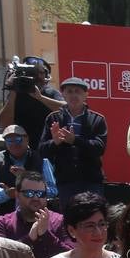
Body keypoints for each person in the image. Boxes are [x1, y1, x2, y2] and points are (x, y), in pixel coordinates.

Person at [40, 77, 108, 209]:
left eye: (78, 91)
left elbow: (100, 148)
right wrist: (55, 142)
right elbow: (42, 150)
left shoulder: (97, 119)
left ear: (86, 95)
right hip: (66, 181)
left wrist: (75, 140)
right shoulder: (53, 118)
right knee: (70, 221)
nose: (73, 95)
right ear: (63, 94)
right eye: (69, 91)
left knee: (92, 217)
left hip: (91, 181)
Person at [0, 171, 75, 258]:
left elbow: (73, 257)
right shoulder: (1, 223)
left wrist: (46, 235)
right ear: (17, 194)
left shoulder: (60, 221)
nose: (35, 198)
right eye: (29, 193)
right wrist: (29, 239)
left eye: (40, 194)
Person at [0, 56, 65, 149]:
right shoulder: (16, 94)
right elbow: (5, 124)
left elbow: (66, 109)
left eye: (40, 72)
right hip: (21, 150)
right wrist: (13, 91)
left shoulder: (51, 93)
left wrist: (40, 98)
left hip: (47, 148)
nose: (36, 76)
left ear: (46, 77)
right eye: (32, 72)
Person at [0, 125, 58, 210]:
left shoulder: (41, 159)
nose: (14, 144)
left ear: (27, 139)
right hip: (6, 213)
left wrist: (29, 184)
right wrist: (6, 194)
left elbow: (53, 190)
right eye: (9, 141)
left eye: (18, 139)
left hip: (37, 213)